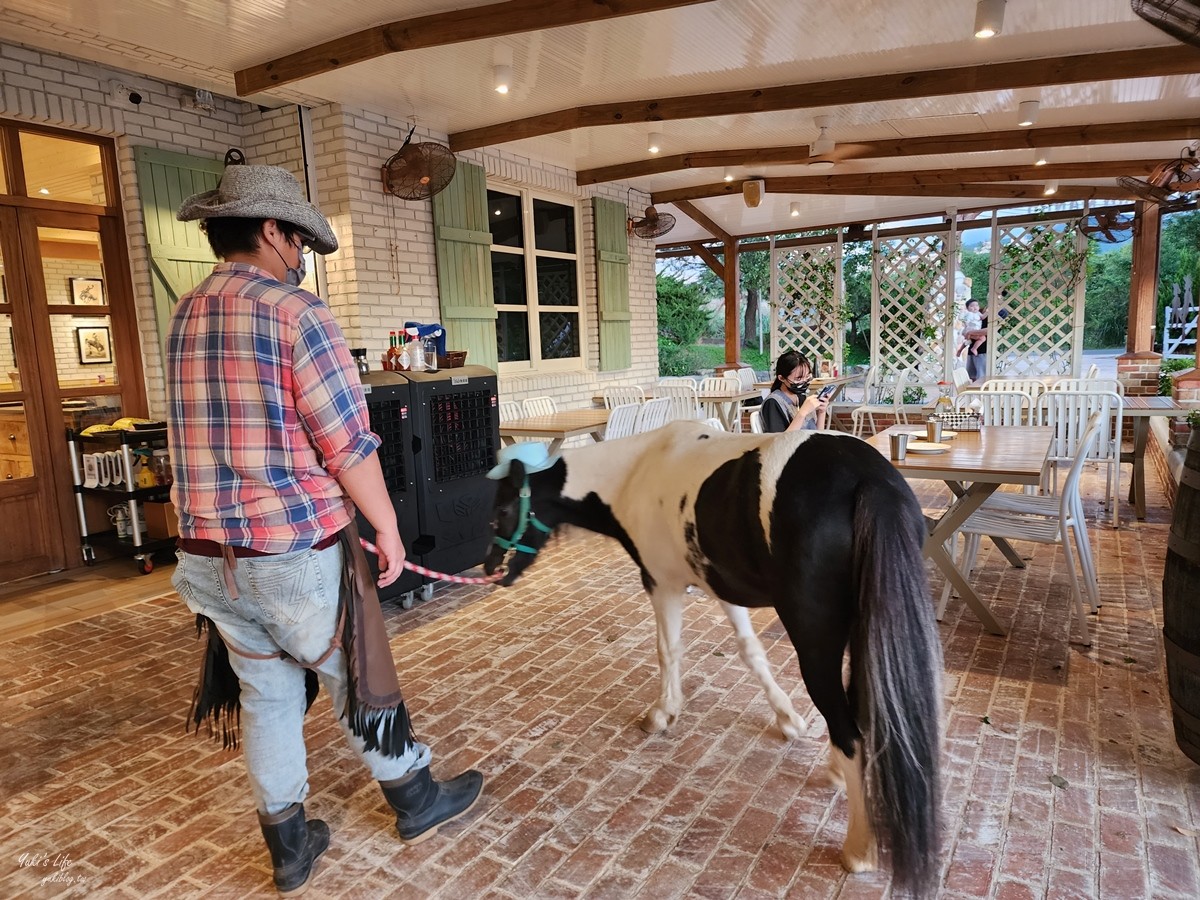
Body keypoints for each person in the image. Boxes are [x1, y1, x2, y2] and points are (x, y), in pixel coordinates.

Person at [168, 164, 482, 897]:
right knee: (356, 677)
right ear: (271, 232)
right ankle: (414, 798)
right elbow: (347, 442)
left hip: (207, 557)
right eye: (299, 237)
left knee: (266, 693)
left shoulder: (185, 310)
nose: (303, 253)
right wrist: (388, 528)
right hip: (294, 551)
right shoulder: (296, 313)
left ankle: (288, 843)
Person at [760, 350, 829, 432]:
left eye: (807, 377)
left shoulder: (801, 397)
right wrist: (802, 413)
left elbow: (818, 434)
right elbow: (779, 441)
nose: (804, 381)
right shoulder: (773, 403)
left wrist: (822, 411)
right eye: (798, 378)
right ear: (781, 378)